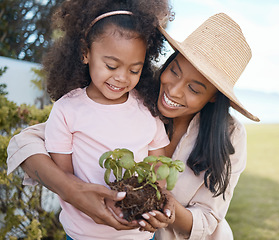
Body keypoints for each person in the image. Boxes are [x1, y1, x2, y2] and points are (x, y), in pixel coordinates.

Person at [7, 12, 260, 239]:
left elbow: (208, 218)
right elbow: (26, 142)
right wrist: (73, 191)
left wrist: (167, 207)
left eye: (194, 89)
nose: (174, 89)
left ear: (214, 96)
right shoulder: (131, 96)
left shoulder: (230, 134)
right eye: (174, 71)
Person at [21, 0, 172, 239]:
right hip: (83, 234)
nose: (122, 78)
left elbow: (159, 165)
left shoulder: (146, 109)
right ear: (85, 53)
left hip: (138, 235)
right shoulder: (67, 110)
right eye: (111, 65)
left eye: (135, 70)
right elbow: (65, 176)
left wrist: (157, 196)